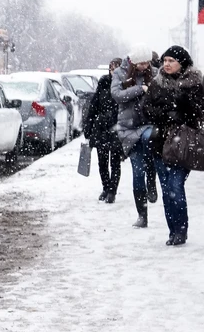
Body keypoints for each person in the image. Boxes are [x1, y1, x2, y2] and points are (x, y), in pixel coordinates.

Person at [140, 45, 204, 245]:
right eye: (165, 60)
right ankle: (173, 232)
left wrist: (181, 107)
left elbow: (198, 112)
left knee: (175, 186)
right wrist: (165, 114)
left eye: (171, 61)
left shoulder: (195, 84)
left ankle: (181, 230)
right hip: (160, 142)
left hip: (182, 144)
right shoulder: (157, 84)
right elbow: (146, 109)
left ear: (182, 63)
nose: (166, 64)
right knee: (167, 189)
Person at [110, 47, 157, 227]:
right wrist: (140, 89)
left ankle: (152, 178)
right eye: (141, 63)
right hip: (128, 127)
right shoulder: (120, 73)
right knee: (137, 174)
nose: (145, 66)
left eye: (147, 62)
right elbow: (117, 95)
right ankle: (142, 215)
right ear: (133, 62)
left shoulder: (154, 72)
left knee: (149, 139)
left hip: (148, 122)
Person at [82, 58, 124, 203]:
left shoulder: (124, 85)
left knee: (115, 162)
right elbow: (94, 106)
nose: (114, 72)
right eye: (112, 69)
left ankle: (112, 191)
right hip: (101, 128)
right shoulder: (103, 82)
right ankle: (105, 188)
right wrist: (88, 127)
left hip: (117, 128)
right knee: (102, 161)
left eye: (117, 69)